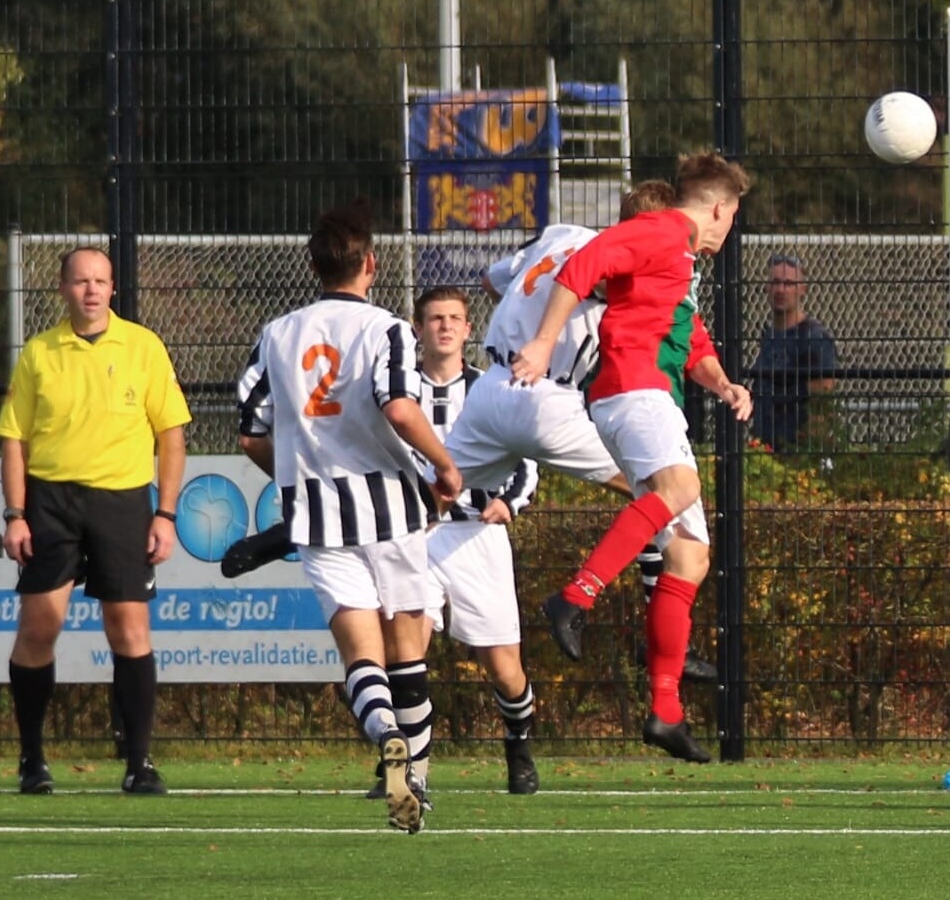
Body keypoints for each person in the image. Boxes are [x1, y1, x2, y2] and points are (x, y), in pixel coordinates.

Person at [508, 151, 753, 764]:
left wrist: (722, 384)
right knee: (679, 489)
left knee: (690, 555)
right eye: (733, 215)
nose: (729, 228)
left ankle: (665, 712)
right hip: (634, 389)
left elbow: (689, 337)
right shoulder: (665, 228)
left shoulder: (682, 258)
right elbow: (582, 266)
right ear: (719, 207)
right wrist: (540, 345)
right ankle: (574, 597)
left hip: (648, 396)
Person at [235, 200, 461, 834]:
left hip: (318, 518)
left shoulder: (277, 333)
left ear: (313, 266)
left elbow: (252, 431)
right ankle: (414, 769)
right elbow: (397, 407)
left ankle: (386, 736)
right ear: (371, 263)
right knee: (408, 649)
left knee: (361, 654)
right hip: (390, 506)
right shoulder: (386, 327)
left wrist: (298, 471)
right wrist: (444, 465)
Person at [446, 178, 718, 683]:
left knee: (422, 495)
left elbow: (492, 281)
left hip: (490, 388)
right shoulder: (632, 258)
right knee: (666, 494)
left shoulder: (558, 234)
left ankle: (302, 531)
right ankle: (655, 630)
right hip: (548, 399)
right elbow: (589, 282)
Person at [0, 246, 191, 796]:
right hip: (51, 503)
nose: (92, 290)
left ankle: (139, 762)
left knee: (128, 629)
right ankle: (32, 758)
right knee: (40, 628)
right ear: (62, 289)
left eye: (101, 281)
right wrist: (16, 514)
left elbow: (171, 436)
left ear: (112, 289)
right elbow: (15, 440)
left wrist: (166, 513)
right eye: (81, 281)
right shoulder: (39, 352)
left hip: (122, 502)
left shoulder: (143, 346)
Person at [409, 285, 544, 796]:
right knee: (408, 647)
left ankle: (519, 746)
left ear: (469, 330)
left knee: (503, 668)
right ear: (418, 328)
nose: (444, 326)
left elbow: (526, 458)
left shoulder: (491, 387)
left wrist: (509, 503)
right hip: (415, 537)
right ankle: (407, 766)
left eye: (454, 318)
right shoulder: (397, 392)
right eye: (434, 318)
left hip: (476, 539)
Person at [749, 252, 836, 451]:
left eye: (789, 284)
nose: (781, 290)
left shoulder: (814, 338)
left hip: (795, 452)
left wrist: (807, 453)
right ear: (767, 287)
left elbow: (822, 407)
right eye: (776, 282)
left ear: (802, 289)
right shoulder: (769, 336)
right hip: (765, 449)